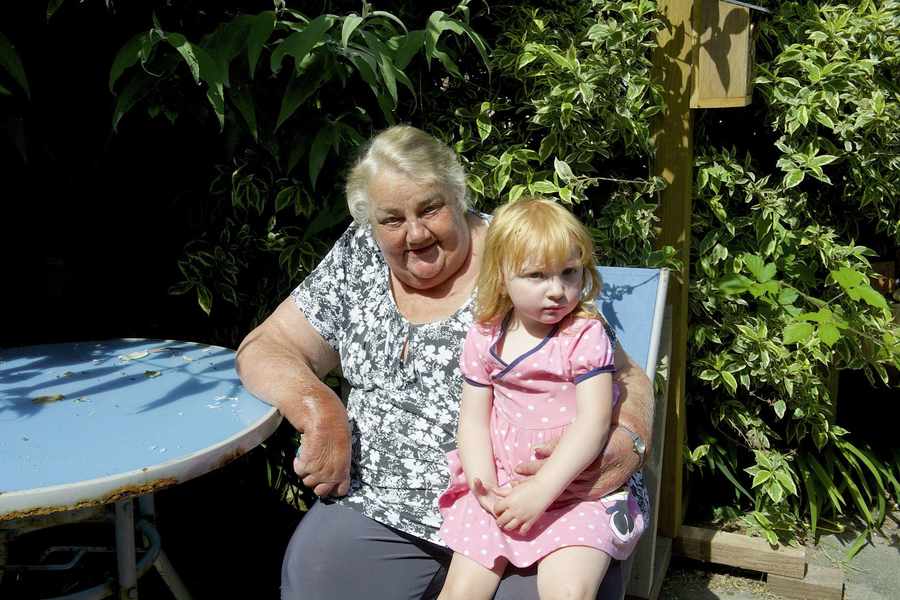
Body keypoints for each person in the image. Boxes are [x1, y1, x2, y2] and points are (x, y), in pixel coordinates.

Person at [235, 125, 654, 600]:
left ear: (459, 196)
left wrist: (630, 438)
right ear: (369, 222)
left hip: (534, 497)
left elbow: (624, 374)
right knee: (317, 578)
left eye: (430, 208)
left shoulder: (522, 258)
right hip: (384, 500)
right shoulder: (360, 255)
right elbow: (266, 346)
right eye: (391, 219)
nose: (414, 233)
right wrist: (319, 409)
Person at [436, 198, 645, 600]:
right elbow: (474, 421)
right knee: (460, 590)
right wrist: (484, 486)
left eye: (569, 273)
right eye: (537, 275)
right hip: (504, 483)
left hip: (574, 489)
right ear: (501, 275)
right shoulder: (486, 336)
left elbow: (594, 421)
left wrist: (544, 489)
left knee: (568, 592)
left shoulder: (582, 334)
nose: (558, 291)